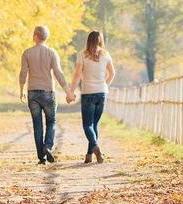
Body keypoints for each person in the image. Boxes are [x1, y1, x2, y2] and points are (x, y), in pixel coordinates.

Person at [19, 25, 74, 165]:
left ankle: (41, 158)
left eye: (33, 34)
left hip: (33, 93)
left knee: (37, 125)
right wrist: (68, 92)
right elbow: (58, 73)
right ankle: (47, 146)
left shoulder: (27, 53)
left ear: (37, 36)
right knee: (51, 122)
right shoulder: (52, 53)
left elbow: (23, 73)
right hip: (48, 93)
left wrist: (22, 91)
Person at [69, 31, 115, 163]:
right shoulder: (106, 55)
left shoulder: (82, 55)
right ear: (100, 40)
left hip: (88, 92)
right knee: (95, 124)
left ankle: (95, 147)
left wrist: (71, 91)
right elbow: (112, 73)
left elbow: (77, 74)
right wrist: (104, 86)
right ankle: (89, 155)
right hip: (102, 93)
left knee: (87, 125)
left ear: (88, 40)